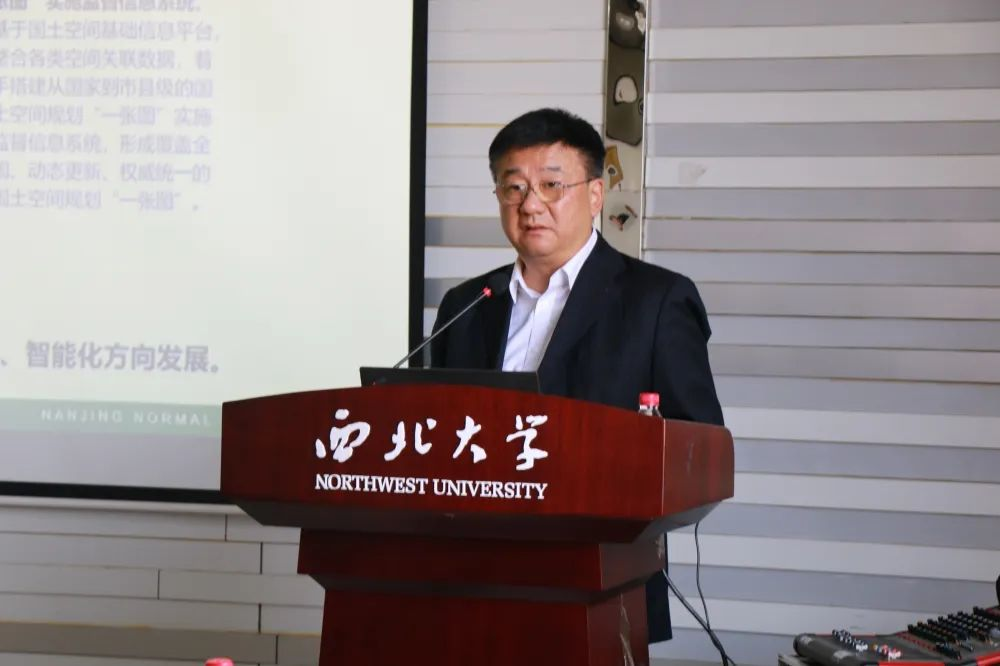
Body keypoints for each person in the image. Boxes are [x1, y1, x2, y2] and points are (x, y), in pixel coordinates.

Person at [429, 107, 724, 643]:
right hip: (469, 584)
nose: (530, 204)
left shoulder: (657, 301)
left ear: (594, 195)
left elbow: (699, 449)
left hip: (600, 585)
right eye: (513, 188)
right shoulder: (466, 305)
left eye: (551, 185)